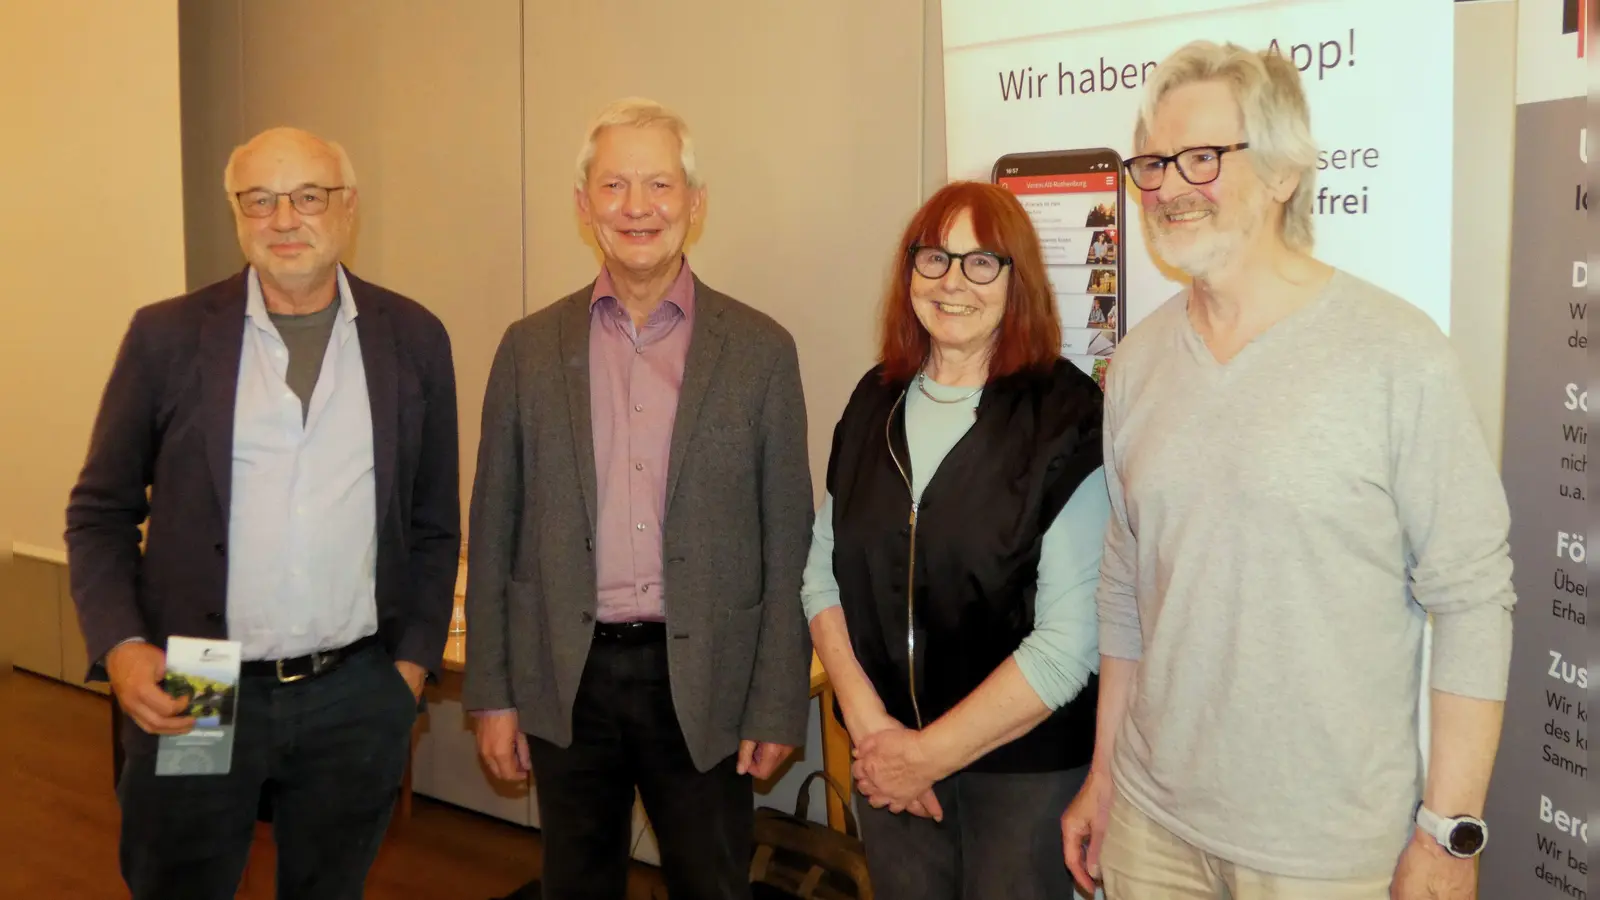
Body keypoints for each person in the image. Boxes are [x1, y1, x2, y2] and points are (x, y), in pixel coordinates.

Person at [1059, 40, 1516, 900]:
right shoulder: (1140, 362)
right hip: (1154, 833)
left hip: (1328, 855)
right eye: (1153, 162)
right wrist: (1106, 775)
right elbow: (1126, 585)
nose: (1165, 186)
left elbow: (1472, 597)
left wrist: (1450, 833)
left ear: (1280, 173)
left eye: (1201, 157)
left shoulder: (1398, 355)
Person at [64, 126, 461, 899]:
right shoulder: (168, 337)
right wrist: (119, 645)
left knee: (328, 886)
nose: (285, 219)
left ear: (348, 210)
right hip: (201, 682)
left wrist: (407, 670)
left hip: (354, 687)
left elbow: (434, 523)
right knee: (183, 881)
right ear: (237, 213)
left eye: (309, 196)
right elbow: (100, 512)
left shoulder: (412, 338)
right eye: (261, 200)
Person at [463, 97, 815, 900]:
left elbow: (789, 537)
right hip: (567, 676)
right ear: (584, 207)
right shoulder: (527, 350)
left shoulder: (761, 351)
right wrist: (493, 694)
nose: (638, 207)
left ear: (696, 203)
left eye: (659, 184)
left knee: (713, 886)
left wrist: (777, 703)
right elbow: (493, 534)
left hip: (705, 682)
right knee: (575, 886)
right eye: (615, 185)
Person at [804, 180, 1109, 900]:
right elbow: (821, 575)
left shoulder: (1064, 415)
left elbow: (1070, 641)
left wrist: (926, 755)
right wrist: (874, 731)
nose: (952, 282)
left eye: (981, 263)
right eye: (934, 258)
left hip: (1022, 777)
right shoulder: (874, 398)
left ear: (1018, 279)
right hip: (889, 769)